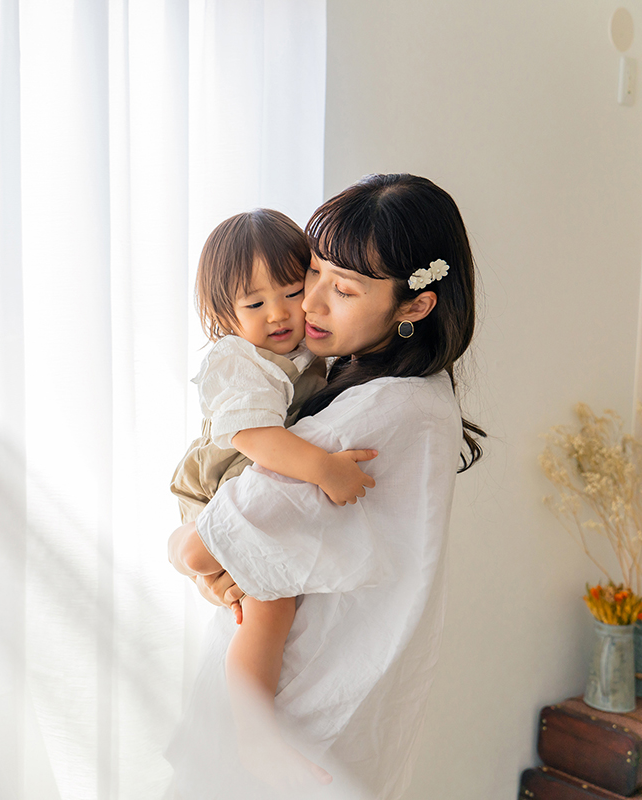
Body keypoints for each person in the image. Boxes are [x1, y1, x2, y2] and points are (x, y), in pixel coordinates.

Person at [166, 173, 485, 799]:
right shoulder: (404, 387)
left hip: (301, 713)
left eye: (340, 289)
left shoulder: (381, 410)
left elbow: (206, 550)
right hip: (333, 701)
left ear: (416, 304)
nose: (306, 306)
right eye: (312, 273)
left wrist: (183, 549)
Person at [168, 208, 380, 787]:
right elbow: (257, 439)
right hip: (223, 475)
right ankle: (253, 737)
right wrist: (323, 469)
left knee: (263, 598)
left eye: (292, 289)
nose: (280, 313)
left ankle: (195, 550)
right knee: (269, 607)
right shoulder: (234, 358)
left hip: (243, 476)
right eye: (255, 304)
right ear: (223, 315)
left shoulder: (304, 349)